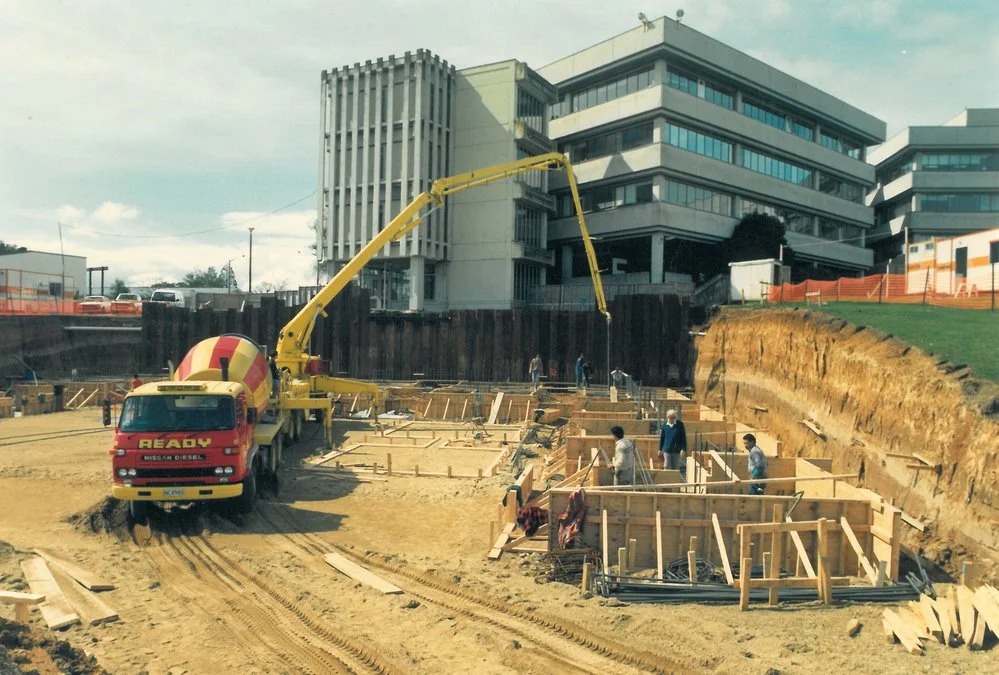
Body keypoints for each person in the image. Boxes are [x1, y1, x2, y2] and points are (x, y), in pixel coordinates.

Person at [658, 409, 688, 480]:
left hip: (676, 450)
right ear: (667, 417)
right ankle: (667, 483)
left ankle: (675, 484)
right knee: (667, 467)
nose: (673, 419)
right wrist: (660, 449)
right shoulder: (665, 425)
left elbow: (683, 437)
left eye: (674, 417)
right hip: (667, 450)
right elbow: (662, 438)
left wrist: (684, 449)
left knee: (675, 469)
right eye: (671, 418)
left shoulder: (680, 425)